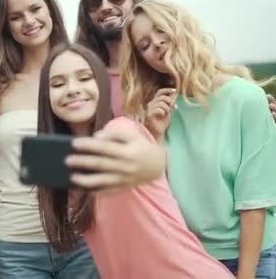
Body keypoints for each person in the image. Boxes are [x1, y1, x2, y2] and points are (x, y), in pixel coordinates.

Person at [122, 0, 276, 278]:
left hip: (253, 258)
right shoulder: (157, 111)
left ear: (181, 27)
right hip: (191, 257)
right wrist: (156, 135)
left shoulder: (246, 99)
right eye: (144, 44)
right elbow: (159, 199)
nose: (157, 43)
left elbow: (255, 203)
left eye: (161, 29)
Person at [36, 43, 235, 279]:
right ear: (46, 97)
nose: (72, 90)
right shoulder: (60, 167)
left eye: (84, 78)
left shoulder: (121, 129)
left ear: (101, 84)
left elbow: (150, 159)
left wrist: (151, 161)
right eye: (58, 84)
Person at [0, 0, 99, 279]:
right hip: (15, 245)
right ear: (4, 25)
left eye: (35, 9)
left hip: (81, 242)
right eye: (15, 16)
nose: (28, 21)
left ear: (50, 10)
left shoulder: (82, 71)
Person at [74, 0, 276, 123]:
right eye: (94, 3)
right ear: (86, 14)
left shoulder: (169, 66)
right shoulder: (83, 79)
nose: (106, 6)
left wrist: (252, 116)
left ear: (135, 0)